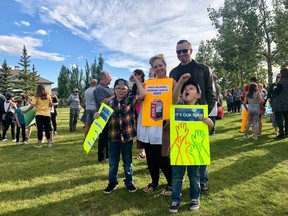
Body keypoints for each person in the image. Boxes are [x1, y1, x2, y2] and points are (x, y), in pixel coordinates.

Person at [169, 39, 216, 194]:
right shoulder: (173, 73)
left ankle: (203, 182)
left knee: (199, 148)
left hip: (199, 116)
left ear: (191, 51)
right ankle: (179, 183)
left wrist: (203, 114)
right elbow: (172, 97)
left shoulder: (203, 68)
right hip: (180, 117)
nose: (181, 54)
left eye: (184, 51)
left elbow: (211, 93)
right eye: (178, 52)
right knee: (182, 147)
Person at [169, 73, 214, 213]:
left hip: (194, 149)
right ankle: (175, 199)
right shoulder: (178, 107)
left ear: (198, 95)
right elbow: (174, 98)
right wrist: (181, 82)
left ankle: (195, 198)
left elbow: (209, 128)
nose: (187, 90)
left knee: (194, 176)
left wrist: (209, 122)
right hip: (178, 149)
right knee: (177, 177)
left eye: (191, 88)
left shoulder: (202, 111)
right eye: (185, 89)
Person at [99, 76, 146, 194]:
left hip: (127, 138)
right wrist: (97, 115)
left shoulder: (131, 100)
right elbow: (102, 118)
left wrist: (136, 81)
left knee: (127, 162)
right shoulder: (109, 103)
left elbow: (143, 95)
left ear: (128, 90)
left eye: (123, 88)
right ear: (114, 90)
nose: (121, 90)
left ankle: (129, 182)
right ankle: (112, 182)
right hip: (113, 138)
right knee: (113, 163)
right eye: (118, 88)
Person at [139, 54, 174, 195]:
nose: (158, 68)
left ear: (165, 66)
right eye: (155, 66)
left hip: (162, 124)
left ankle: (171, 183)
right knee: (150, 154)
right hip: (147, 123)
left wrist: (170, 118)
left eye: (161, 65)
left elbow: (177, 101)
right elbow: (140, 100)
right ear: (152, 69)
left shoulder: (171, 82)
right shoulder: (147, 83)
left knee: (162, 155)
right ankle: (154, 182)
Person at [93, 70, 114, 162]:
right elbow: (102, 101)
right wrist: (114, 96)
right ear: (104, 78)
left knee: (109, 136)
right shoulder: (99, 88)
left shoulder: (107, 87)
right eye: (110, 77)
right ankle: (101, 157)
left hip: (109, 114)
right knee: (103, 136)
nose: (111, 78)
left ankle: (108, 155)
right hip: (103, 115)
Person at [130, 69, 146, 160]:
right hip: (137, 108)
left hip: (145, 108)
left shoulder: (147, 83)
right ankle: (142, 151)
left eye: (135, 74)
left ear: (140, 75)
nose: (134, 76)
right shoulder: (134, 85)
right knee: (139, 129)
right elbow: (133, 96)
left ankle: (146, 151)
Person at [271, 68, 288, 139]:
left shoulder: (281, 82)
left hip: (280, 103)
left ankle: (281, 133)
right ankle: (287, 132)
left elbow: (276, 91)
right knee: (287, 118)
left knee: (279, 118)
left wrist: (274, 88)